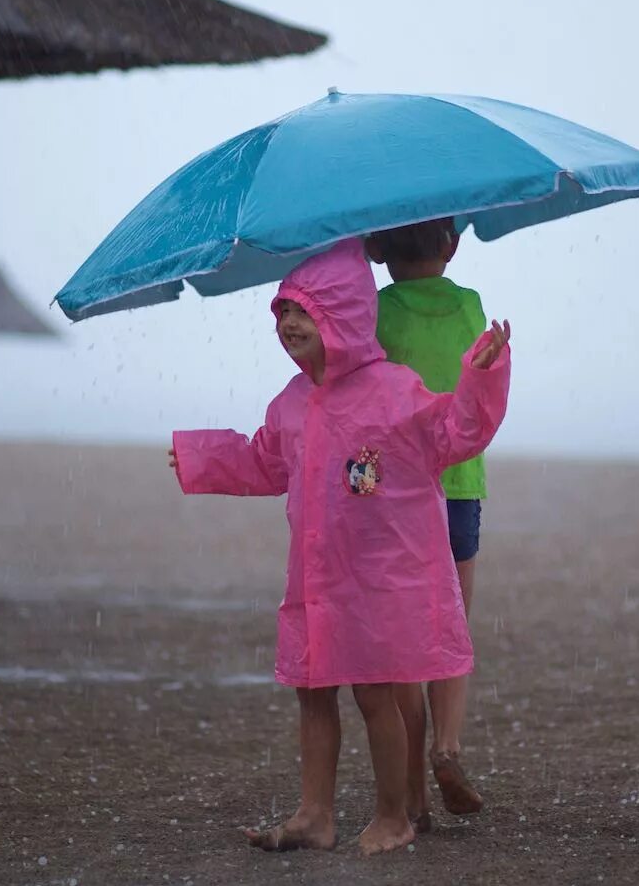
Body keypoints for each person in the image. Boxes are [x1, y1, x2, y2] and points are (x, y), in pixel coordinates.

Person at [167, 238, 511, 855]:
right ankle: (314, 815)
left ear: (347, 317)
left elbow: (456, 430)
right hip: (315, 581)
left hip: (378, 581)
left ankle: (394, 815)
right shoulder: (292, 405)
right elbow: (262, 462)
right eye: (282, 313)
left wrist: (480, 375)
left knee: (376, 693)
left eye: (304, 311)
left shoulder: (395, 391)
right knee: (313, 691)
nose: (289, 324)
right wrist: (201, 457)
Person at [364, 218, 491, 825]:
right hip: (460, 482)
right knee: (453, 622)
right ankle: (448, 745)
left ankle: (413, 771)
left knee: (402, 625)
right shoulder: (470, 304)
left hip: (397, 487)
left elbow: (362, 388)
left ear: (377, 249)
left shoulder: (375, 311)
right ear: (453, 245)